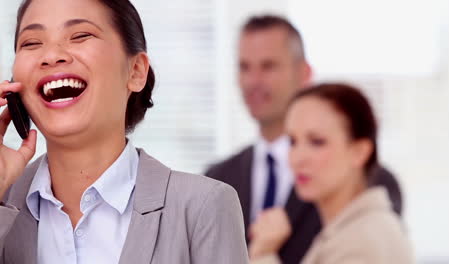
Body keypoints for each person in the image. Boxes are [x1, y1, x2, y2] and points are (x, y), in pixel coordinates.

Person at [0, 0, 248, 263]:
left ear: (136, 71)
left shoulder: (202, 207)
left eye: (81, 35)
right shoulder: (3, 200)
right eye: (31, 43)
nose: (51, 56)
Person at [205, 15, 402, 263]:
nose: (253, 81)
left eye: (268, 66)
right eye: (244, 67)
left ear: (304, 73)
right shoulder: (216, 179)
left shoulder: (372, 183)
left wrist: (264, 253)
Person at [250, 83, 414, 264]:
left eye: (317, 142)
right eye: (293, 142)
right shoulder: (345, 232)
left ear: (359, 152)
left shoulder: (360, 243)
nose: (298, 158)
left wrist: (263, 254)